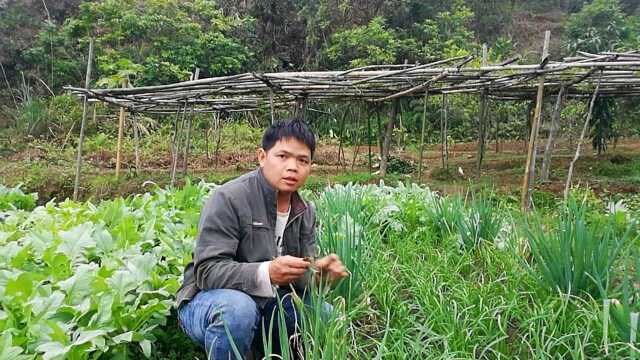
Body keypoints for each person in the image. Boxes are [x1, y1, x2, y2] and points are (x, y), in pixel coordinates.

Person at [176, 118, 348, 359]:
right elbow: (207, 272)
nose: (292, 167)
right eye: (283, 156)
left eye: (302, 161)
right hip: (208, 302)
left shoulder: (304, 210)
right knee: (238, 310)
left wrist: (317, 277)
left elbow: (299, 283)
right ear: (262, 157)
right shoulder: (230, 198)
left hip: (268, 304)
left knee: (325, 314)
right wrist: (266, 273)